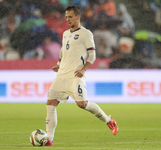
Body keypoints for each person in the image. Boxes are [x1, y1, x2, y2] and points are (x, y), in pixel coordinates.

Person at [45, 6, 119, 146]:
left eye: (70, 17)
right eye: (66, 17)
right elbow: (63, 51)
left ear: (78, 16)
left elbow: (92, 55)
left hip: (75, 75)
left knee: (82, 104)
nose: (68, 19)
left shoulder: (86, 34)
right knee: (51, 103)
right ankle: (49, 139)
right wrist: (59, 63)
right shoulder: (66, 33)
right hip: (61, 75)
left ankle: (109, 121)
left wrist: (84, 70)